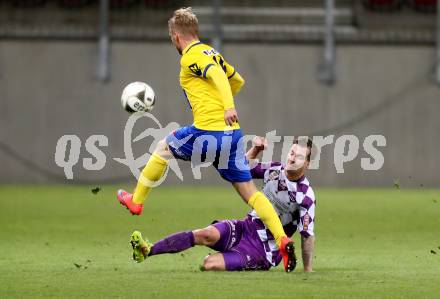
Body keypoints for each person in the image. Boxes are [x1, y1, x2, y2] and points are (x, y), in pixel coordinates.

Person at [117, 7, 296, 272]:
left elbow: (216, 75)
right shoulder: (212, 51)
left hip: (208, 130)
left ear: (176, 37)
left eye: (172, 39)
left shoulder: (190, 57)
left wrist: (225, 106)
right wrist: (224, 103)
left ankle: (137, 200)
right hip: (232, 134)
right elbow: (236, 80)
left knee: (163, 148)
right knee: (249, 191)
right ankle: (281, 239)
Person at [129, 137, 316, 272]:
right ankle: (147, 250)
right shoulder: (274, 169)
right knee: (205, 234)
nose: (291, 158)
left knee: (208, 264)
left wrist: (307, 270)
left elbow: (307, 235)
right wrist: (256, 150)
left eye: (298, 157)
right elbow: (242, 169)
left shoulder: (305, 195)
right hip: (246, 227)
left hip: (263, 249)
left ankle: (235, 256)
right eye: (291, 153)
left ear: (307, 164)